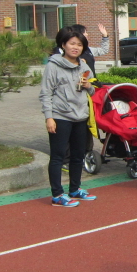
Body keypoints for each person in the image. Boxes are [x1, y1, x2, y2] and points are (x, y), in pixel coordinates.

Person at [40, 27, 97, 207]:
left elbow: (93, 90)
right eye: (72, 44)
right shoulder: (53, 66)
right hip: (60, 117)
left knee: (78, 155)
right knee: (57, 157)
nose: (75, 47)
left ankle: (74, 189)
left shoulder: (84, 65)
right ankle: (57, 194)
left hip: (80, 117)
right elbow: (45, 94)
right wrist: (49, 117)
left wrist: (88, 85)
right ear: (63, 45)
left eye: (79, 45)